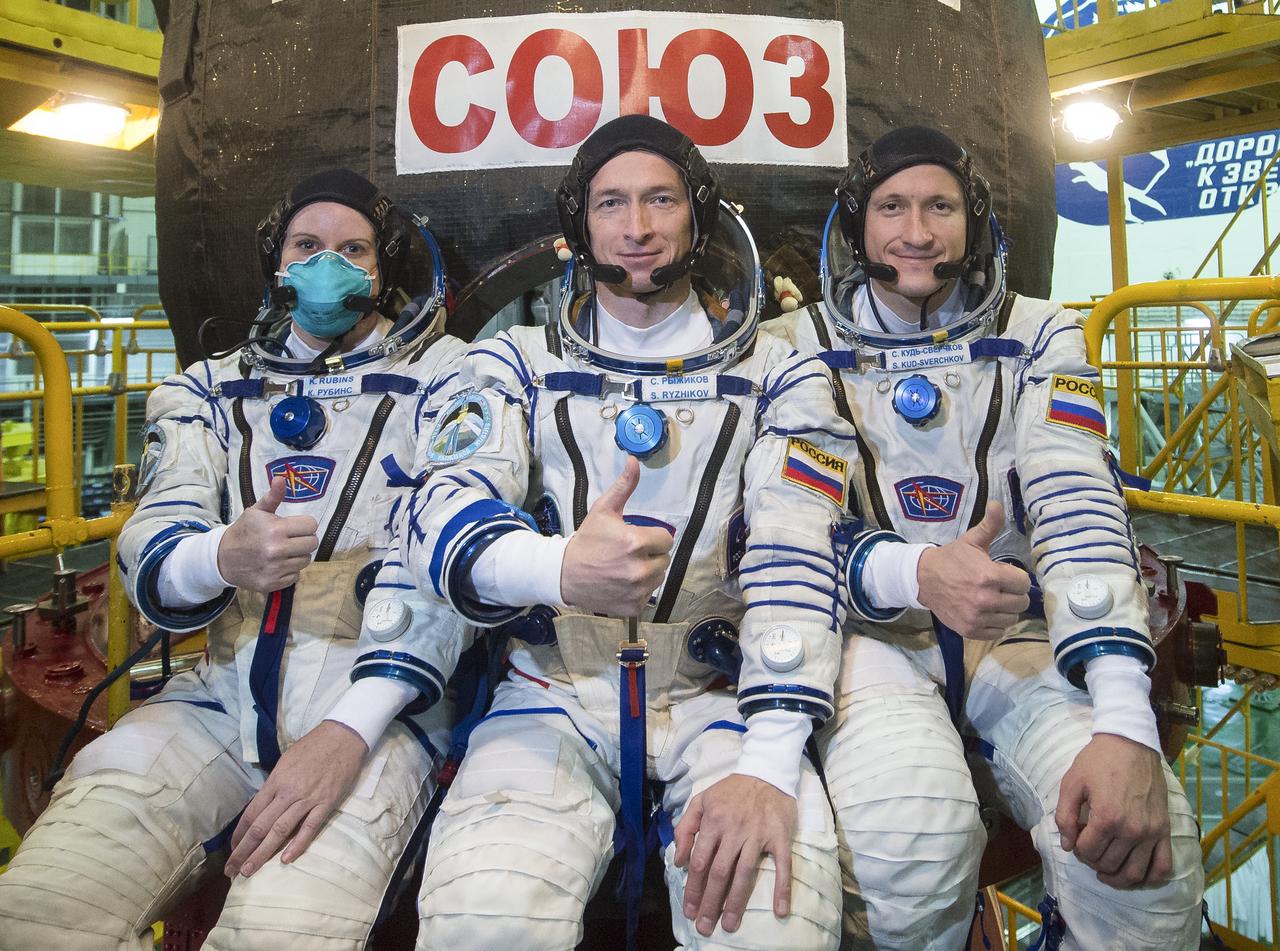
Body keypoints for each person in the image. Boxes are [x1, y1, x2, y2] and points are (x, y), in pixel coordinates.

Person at [335, 114, 845, 950]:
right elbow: (437, 513)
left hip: (722, 701)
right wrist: (557, 568)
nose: (637, 228)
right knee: (482, 919)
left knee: (773, 929)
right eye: (611, 202)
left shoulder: (779, 373)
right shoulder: (513, 364)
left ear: (699, 215)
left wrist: (771, 758)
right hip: (551, 692)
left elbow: (799, 545)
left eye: (660, 200)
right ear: (580, 223)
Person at [0, 169, 465, 951]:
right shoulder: (207, 392)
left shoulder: (447, 378)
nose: (329, 264)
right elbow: (153, 540)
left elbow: (448, 568)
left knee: (281, 931)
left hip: (376, 713)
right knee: (40, 914)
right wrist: (221, 554)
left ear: (383, 269)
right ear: (277, 265)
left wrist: (347, 731)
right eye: (307, 245)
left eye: (353, 249)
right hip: (220, 695)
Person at [768, 125, 1205, 949]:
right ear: (858, 224)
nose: (917, 233)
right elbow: (790, 533)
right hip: (876, 636)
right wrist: (916, 571)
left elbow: (1076, 500)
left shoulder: (1044, 331)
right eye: (892, 207)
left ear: (974, 219)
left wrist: (1125, 721)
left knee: (1149, 862)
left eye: (940, 206)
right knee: (911, 850)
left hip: (1020, 630)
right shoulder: (801, 347)